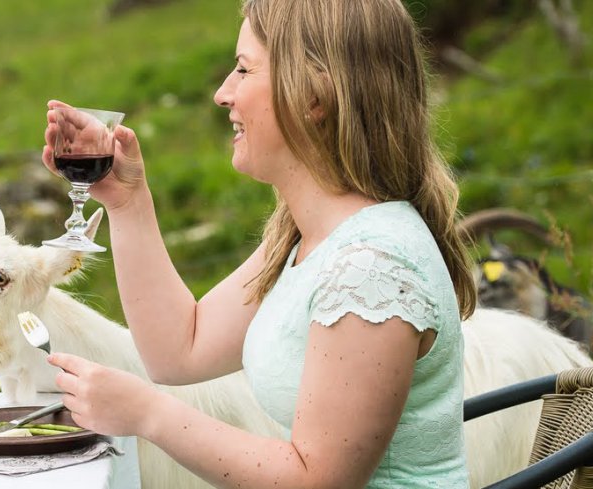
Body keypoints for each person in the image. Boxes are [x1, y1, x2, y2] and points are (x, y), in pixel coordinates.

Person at [42, 0, 475, 486]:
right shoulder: (311, 237)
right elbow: (178, 350)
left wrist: (148, 415)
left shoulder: (371, 267)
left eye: (244, 70)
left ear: (313, 96)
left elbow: (315, 480)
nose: (223, 94)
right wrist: (126, 203)